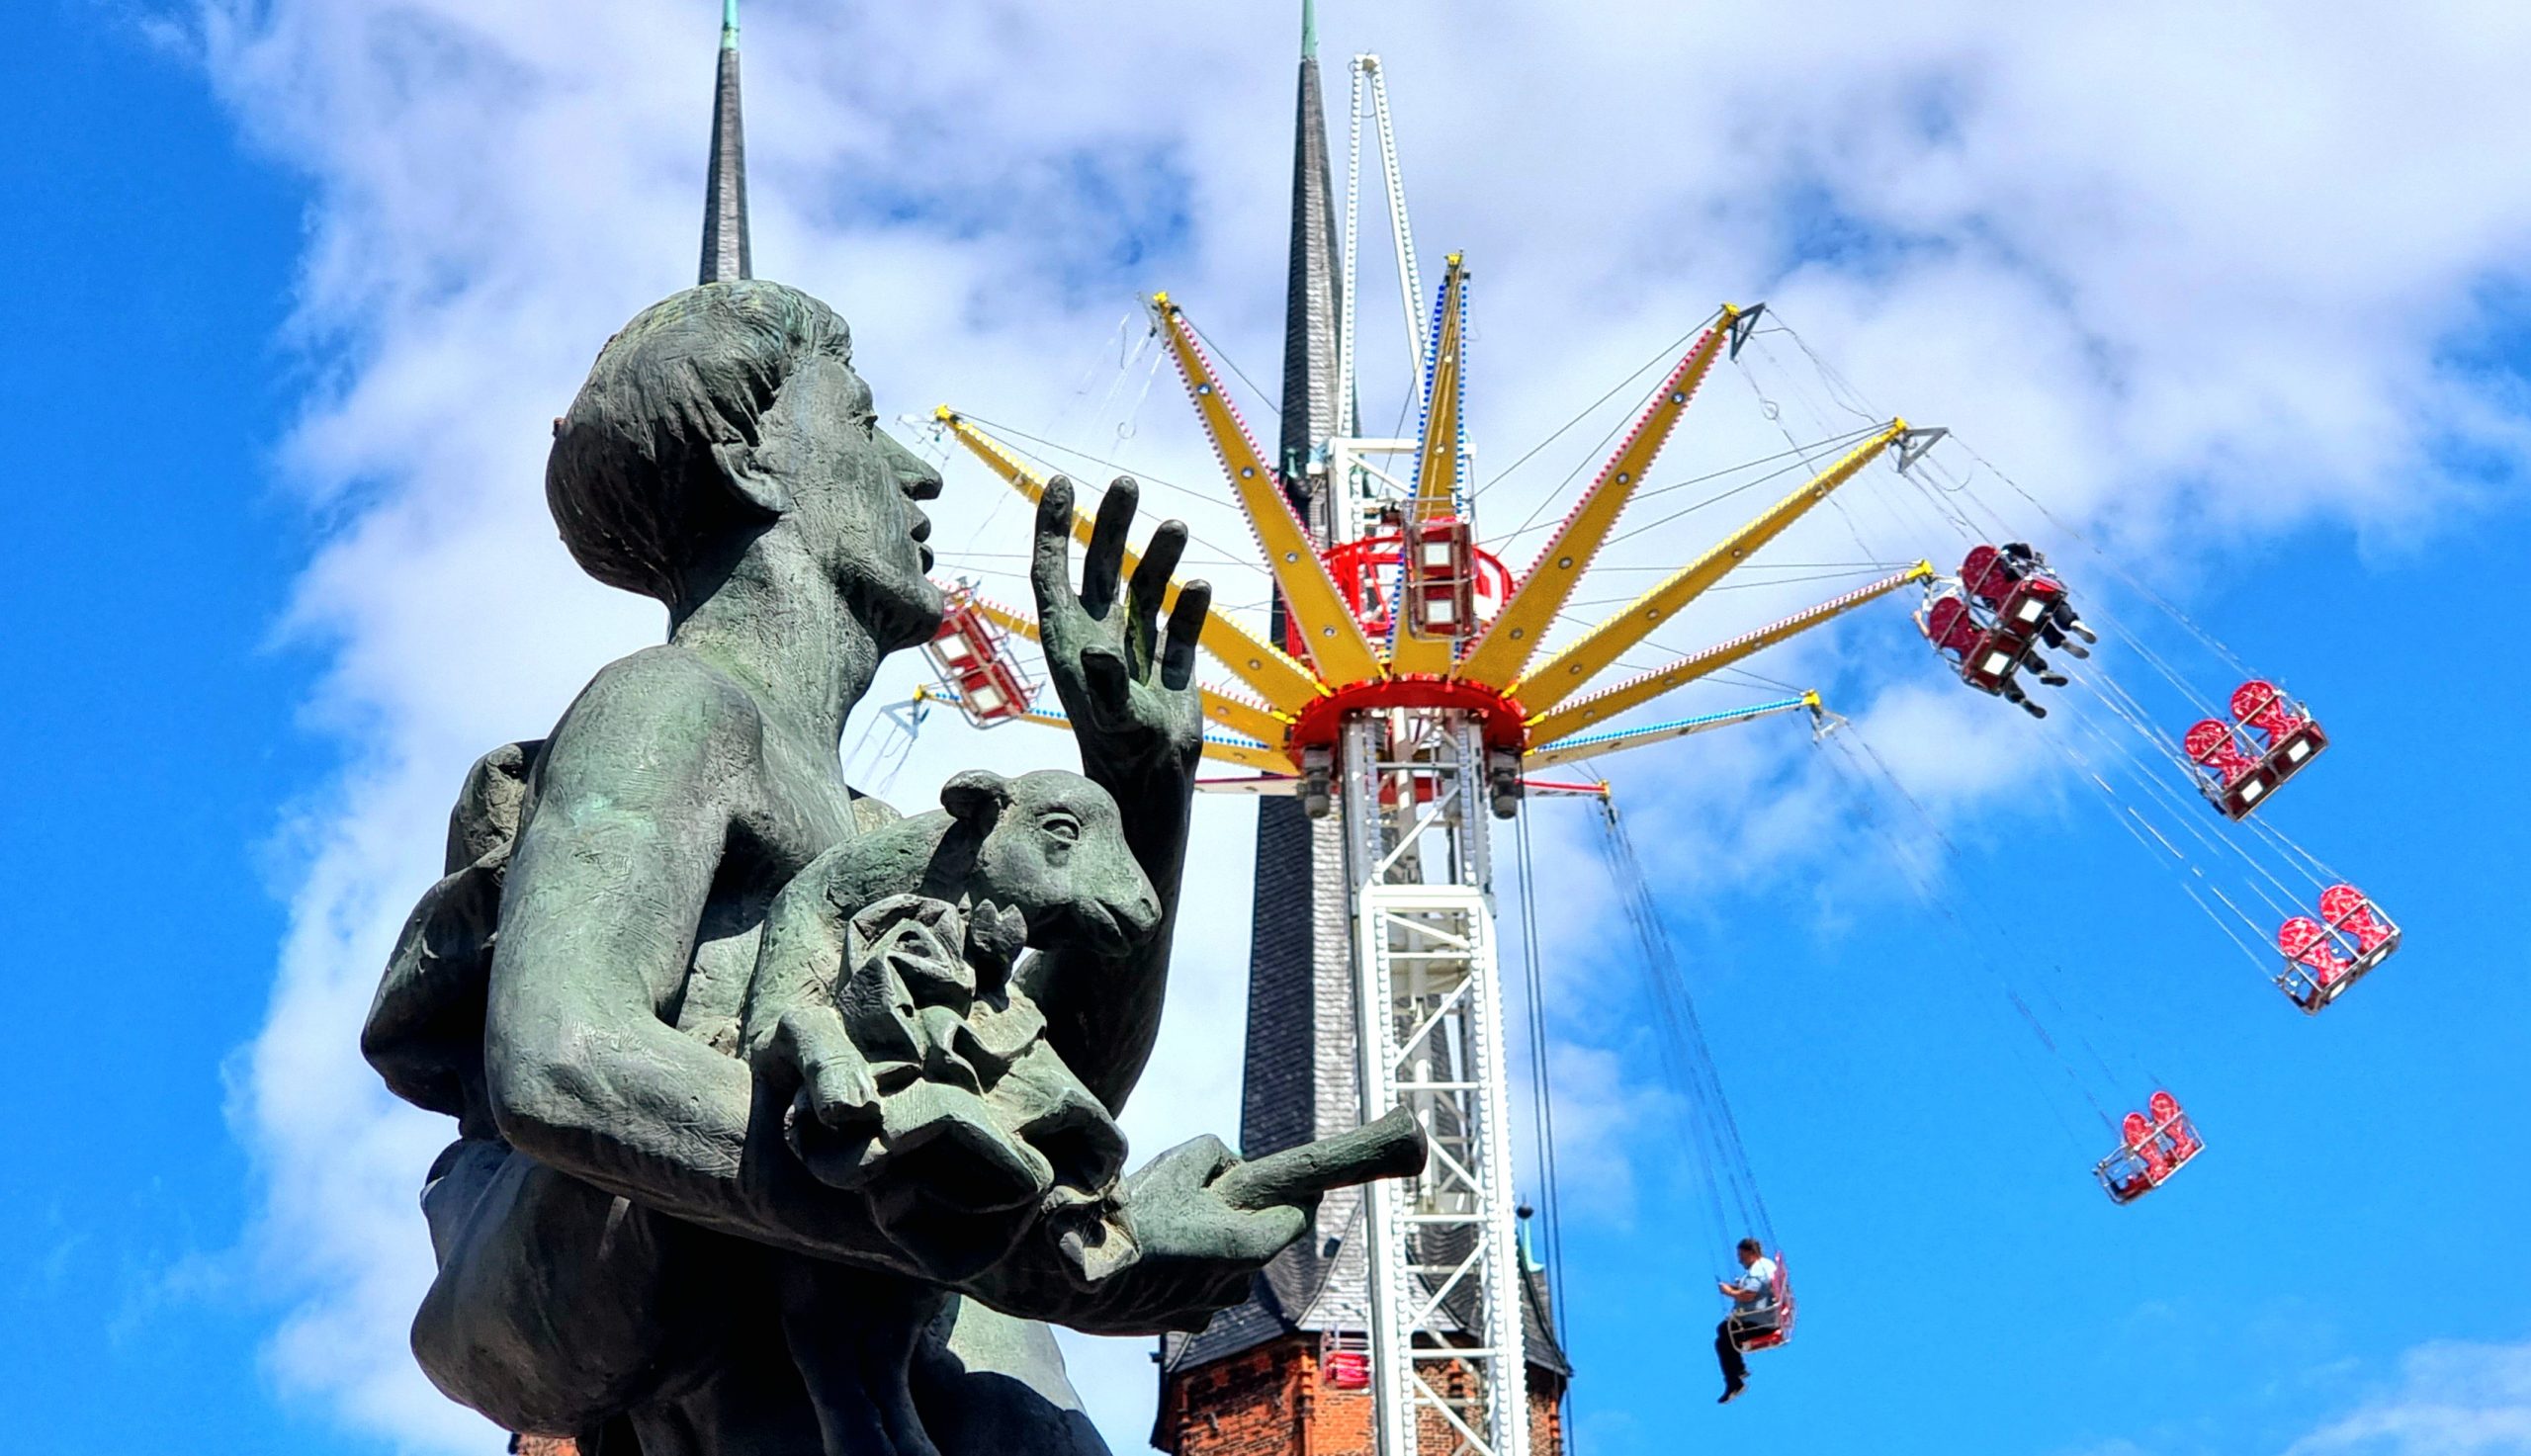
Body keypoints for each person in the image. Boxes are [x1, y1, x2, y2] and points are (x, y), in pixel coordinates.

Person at [367, 280, 1316, 1453]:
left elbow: (1052, 1092)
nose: (919, 472)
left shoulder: (875, 832)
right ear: (750, 465)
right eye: (864, 422)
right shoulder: (674, 708)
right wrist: (1038, 1243)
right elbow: (561, 1059)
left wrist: (1141, 782)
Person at [1917, 593, 2067, 719]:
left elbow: (1928, 635)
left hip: (1974, 658)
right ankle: (2041, 671)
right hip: (1987, 642)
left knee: (2000, 676)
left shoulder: (1939, 634)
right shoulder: (1960, 615)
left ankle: (2020, 700)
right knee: (2019, 647)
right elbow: (1968, 603)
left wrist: (1918, 619)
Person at [1997, 541, 2097, 653]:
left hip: (2015, 600)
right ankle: (2072, 623)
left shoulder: (1984, 579)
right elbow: (2027, 553)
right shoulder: (2006, 552)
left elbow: (1990, 602)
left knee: (2037, 621)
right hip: (2031, 586)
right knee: (2056, 603)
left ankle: (2060, 642)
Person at [1715, 1237, 1780, 1403]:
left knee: (1723, 1341)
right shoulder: (1767, 1264)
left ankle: (1734, 1382)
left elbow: (1748, 1295)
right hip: (1767, 1316)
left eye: (1742, 1256)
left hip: (1762, 1323)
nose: (1739, 1260)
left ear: (1751, 1253)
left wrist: (1729, 1292)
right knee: (1723, 1330)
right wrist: (1733, 1287)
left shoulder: (1757, 1272)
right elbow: (1753, 1288)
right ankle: (1738, 1369)